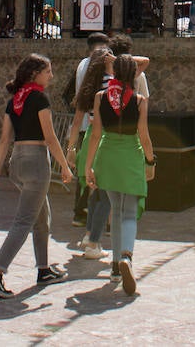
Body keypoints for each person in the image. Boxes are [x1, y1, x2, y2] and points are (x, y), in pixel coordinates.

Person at [0, 54, 74, 298]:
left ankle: (43, 269)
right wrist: (64, 166)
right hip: (35, 161)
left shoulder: (15, 101)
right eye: (48, 71)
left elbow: (4, 139)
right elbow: (51, 136)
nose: (51, 76)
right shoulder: (40, 99)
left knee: (42, 216)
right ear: (35, 73)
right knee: (24, 221)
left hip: (18, 162)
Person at [85, 53, 155, 295]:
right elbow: (144, 136)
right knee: (129, 213)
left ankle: (115, 266)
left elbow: (95, 134)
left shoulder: (100, 97)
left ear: (114, 73)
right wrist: (150, 161)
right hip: (130, 156)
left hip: (107, 156)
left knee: (115, 211)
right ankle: (126, 255)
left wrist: (88, 166)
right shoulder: (139, 101)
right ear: (133, 74)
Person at [67, 48, 112, 258]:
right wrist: (114, 63)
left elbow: (77, 121)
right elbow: (141, 65)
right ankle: (94, 242)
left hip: (89, 142)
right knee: (105, 196)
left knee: (95, 193)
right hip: (106, 140)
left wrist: (71, 149)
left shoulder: (88, 87)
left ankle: (88, 236)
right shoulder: (111, 83)